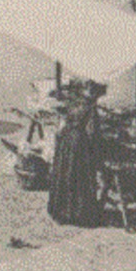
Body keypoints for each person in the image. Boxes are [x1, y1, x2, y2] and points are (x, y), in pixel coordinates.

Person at [47, 81, 106, 227]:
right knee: (78, 176)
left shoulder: (75, 102)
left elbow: (63, 123)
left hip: (66, 139)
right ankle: (78, 214)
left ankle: (60, 212)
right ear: (96, 95)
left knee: (64, 174)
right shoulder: (91, 108)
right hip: (79, 143)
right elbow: (93, 133)